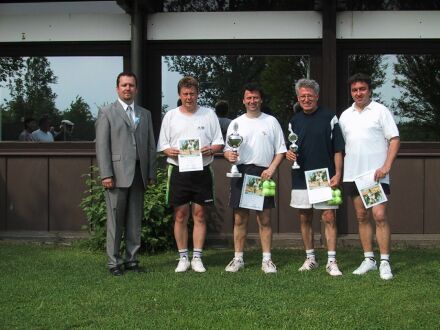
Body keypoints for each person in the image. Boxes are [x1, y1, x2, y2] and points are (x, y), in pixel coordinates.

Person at [157, 76, 224, 273]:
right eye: (185, 94)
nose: (189, 97)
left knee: (200, 214)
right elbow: (163, 146)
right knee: (180, 214)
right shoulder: (170, 116)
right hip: (178, 170)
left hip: (202, 170)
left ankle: (197, 257)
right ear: (179, 95)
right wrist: (170, 151)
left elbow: (219, 143)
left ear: (197, 94)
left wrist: (210, 149)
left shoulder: (209, 114)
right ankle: (183, 257)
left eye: (192, 94)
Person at [339, 73, 400, 280]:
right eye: (355, 90)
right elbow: (341, 147)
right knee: (361, 216)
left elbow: (394, 139)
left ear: (369, 90)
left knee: (379, 216)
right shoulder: (345, 115)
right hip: (353, 175)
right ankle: (369, 260)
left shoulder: (381, 111)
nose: (358, 93)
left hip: (374, 176)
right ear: (351, 92)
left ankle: (384, 261)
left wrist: (386, 166)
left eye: (362, 89)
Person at [95, 71, 157, 276]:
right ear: (117, 88)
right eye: (124, 85)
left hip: (138, 175)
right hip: (116, 176)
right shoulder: (107, 112)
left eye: (131, 85)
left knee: (134, 220)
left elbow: (150, 145)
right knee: (115, 220)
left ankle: (132, 259)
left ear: (136, 89)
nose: (128, 89)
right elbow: (102, 146)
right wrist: (106, 174)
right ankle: (114, 262)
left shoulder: (145, 114)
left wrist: (151, 172)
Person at [224, 82, 286, 274]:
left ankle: (267, 260)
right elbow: (227, 150)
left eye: (255, 97)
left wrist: (272, 169)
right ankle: (238, 259)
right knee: (240, 218)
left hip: (262, 174)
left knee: (264, 219)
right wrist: (229, 156)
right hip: (241, 172)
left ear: (261, 99)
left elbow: (281, 151)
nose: (252, 101)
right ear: (243, 100)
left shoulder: (271, 121)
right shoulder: (236, 123)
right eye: (249, 98)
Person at [286, 79, 345, 276]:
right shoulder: (294, 121)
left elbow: (338, 149)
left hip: (323, 176)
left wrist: (338, 173)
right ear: (298, 98)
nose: (306, 99)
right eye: (302, 96)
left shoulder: (330, 117)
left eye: (309, 96)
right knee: (304, 217)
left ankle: (331, 261)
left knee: (328, 217)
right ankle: (310, 258)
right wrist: (288, 154)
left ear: (317, 96)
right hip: (301, 176)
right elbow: (290, 147)